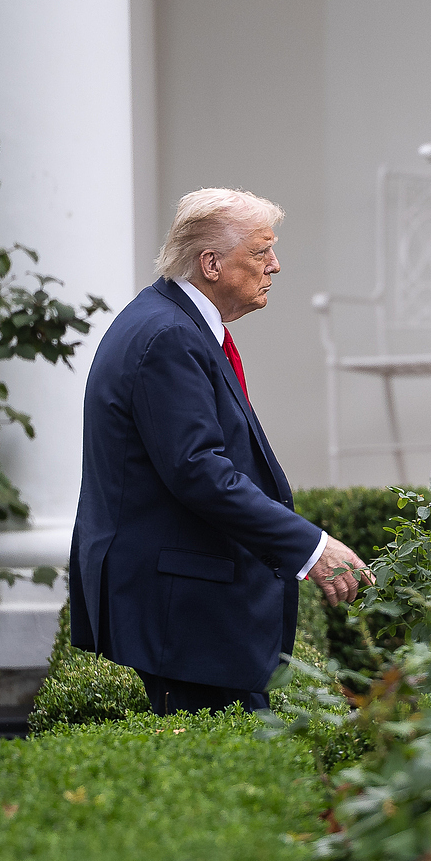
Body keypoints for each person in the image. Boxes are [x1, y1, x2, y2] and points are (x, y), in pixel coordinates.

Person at [69, 188, 374, 716]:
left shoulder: (170, 322)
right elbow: (199, 472)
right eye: (261, 252)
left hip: (185, 607)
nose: (275, 266)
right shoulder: (168, 335)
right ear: (211, 263)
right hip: (182, 613)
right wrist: (311, 546)